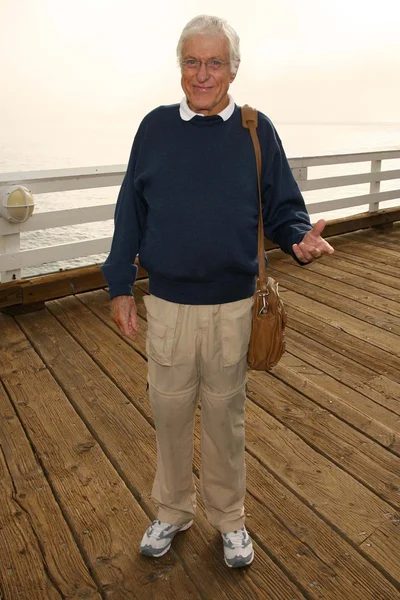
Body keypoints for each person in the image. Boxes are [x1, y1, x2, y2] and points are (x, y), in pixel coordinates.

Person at [102, 14, 334, 568]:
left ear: (233, 69)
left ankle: (230, 520)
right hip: (170, 306)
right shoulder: (154, 128)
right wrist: (118, 286)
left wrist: (300, 238)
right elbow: (128, 214)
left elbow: (282, 210)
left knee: (227, 418)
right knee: (171, 413)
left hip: (235, 305)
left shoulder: (256, 129)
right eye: (192, 61)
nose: (202, 74)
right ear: (180, 67)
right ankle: (173, 510)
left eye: (214, 63)